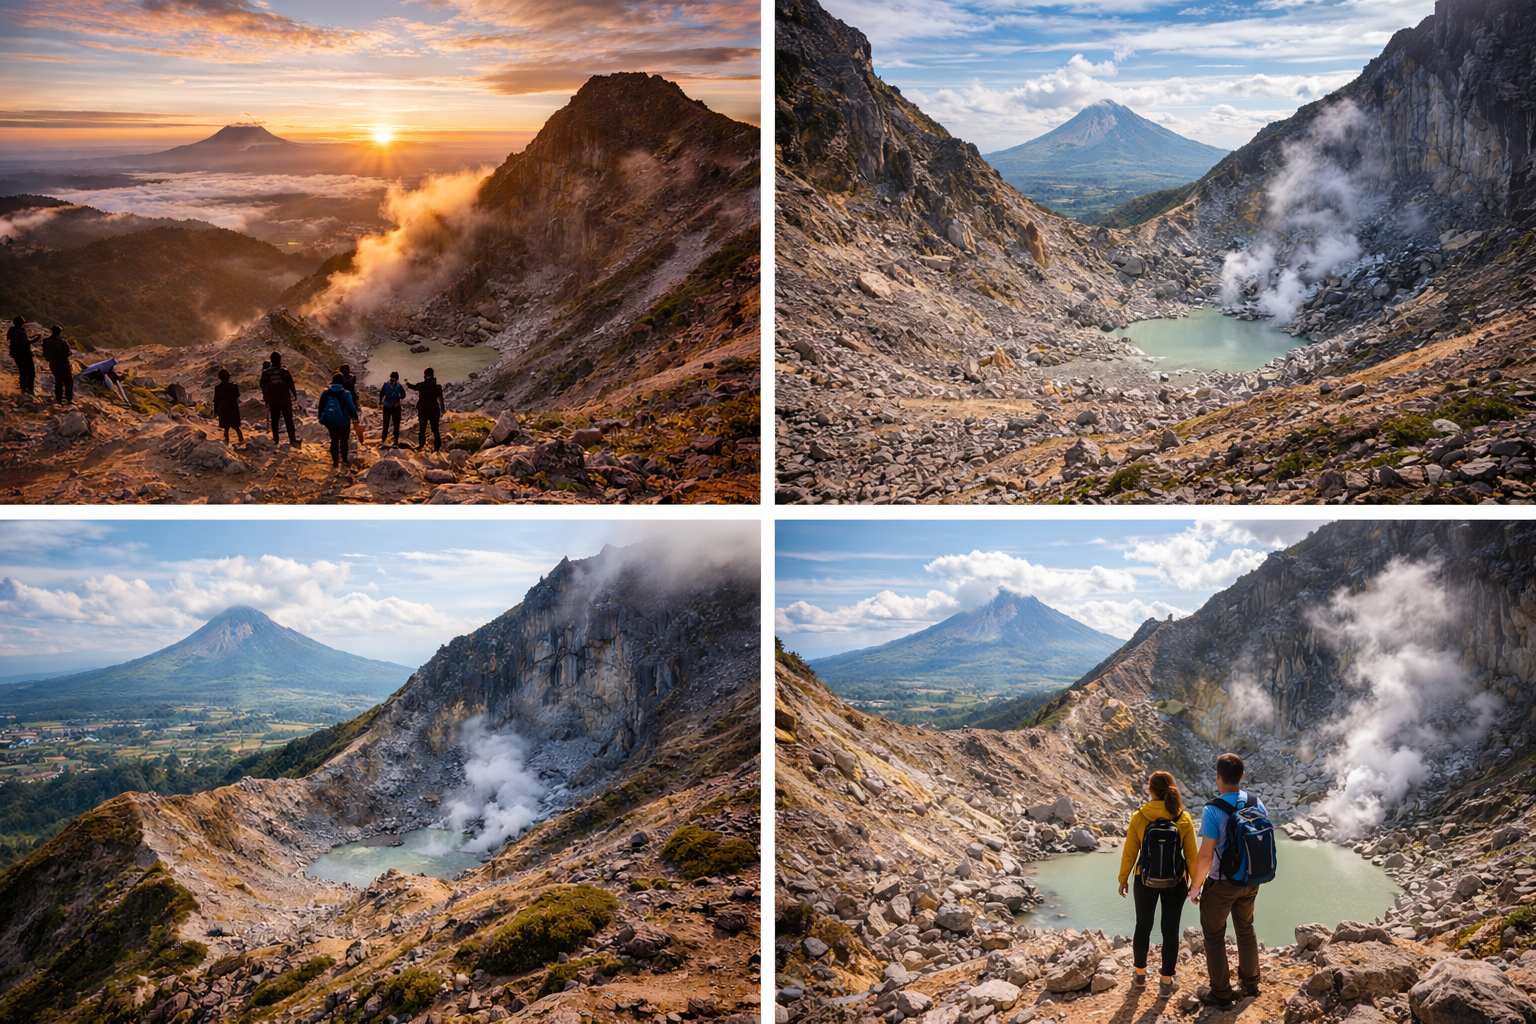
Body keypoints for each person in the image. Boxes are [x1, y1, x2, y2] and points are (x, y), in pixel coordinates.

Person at [1191, 752, 1267, 1009]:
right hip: (1251, 879)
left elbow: (1205, 855)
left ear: (1217, 776)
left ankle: (1221, 994)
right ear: (1242, 776)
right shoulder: (1257, 802)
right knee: (1246, 929)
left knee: (1213, 935)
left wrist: (1196, 886)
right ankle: (1250, 984)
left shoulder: (1212, 809)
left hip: (1222, 884)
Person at [1118, 770, 1198, 997]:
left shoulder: (1140, 816)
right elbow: (1191, 855)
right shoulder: (1182, 817)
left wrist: (1123, 878)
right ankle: (1165, 982)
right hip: (1177, 882)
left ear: (1150, 790)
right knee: (1170, 930)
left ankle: (1140, 976)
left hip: (1144, 880)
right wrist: (1195, 886)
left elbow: (1130, 853)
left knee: (1142, 925)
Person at [317, 372, 360, 468]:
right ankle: (344, 460)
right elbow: (352, 407)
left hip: (330, 422)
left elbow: (321, 406)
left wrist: (321, 417)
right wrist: (355, 417)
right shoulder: (346, 394)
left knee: (334, 440)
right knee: (344, 441)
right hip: (344, 421)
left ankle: (335, 463)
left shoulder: (325, 392)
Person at [259, 351, 299, 447]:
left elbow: (262, 386)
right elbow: (291, 384)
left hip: (273, 400)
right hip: (285, 399)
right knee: (289, 419)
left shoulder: (266, 373)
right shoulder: (284, 372)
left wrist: (266, 398)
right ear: (280, 360)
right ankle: (292, 440)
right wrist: (294, 395)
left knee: (274, 420)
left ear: (271, 360)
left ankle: (276, 440)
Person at [406, 367, 444, 453]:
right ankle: (437, 449)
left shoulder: (421, 385)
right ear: (433, 375)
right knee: (435, 430)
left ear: (424, 376)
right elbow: (441, 400)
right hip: (434, 410)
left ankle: (421, 446)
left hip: (423, 411)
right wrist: (443, 410)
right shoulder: (438, 387)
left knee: (422, 429)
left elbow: (413, 387)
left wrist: (406, 382)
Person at [41, 326, 72, 404]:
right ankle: (68, 399)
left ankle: (59, 400)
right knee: (68, 382)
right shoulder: (63, 342)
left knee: (59, 382)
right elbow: (69, 353)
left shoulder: (47, 341)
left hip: (55, 365)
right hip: (65, 364)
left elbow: (46, 355)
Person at [213, 368, 243, 445]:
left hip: (223, 408)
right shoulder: (234, 386)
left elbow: (216, 400)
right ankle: (241, 440)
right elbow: (237, 396)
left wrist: (216, 411)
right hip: (233, 407)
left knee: (226, 428)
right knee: (236, 426)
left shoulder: (218, 388)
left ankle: (226, 442)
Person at [338, 362, 366, 448]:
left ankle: (342, 441)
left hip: (343, 401)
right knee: (356, 421)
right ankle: (360, 440)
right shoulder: (353, 377)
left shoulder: (339, 378)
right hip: (353, 400)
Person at [7, 315, 35, 396]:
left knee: (22, 371)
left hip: (15, 353)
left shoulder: (11, 330)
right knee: (30, 372)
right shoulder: (22, 331)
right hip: (24, 353)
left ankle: (23, 390)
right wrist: (37, 337)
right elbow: (27, 341)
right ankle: (30, 390)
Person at [378, 371, 405, 447]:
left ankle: (383, 440)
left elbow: (381, 394)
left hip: (387, 407)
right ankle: (396, 441)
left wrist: (380, 402)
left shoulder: (386, 384)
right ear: (397, 378)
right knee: (396, 425)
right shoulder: (399, 386)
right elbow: (403, 396)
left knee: (385, 424)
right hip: (396, 407)